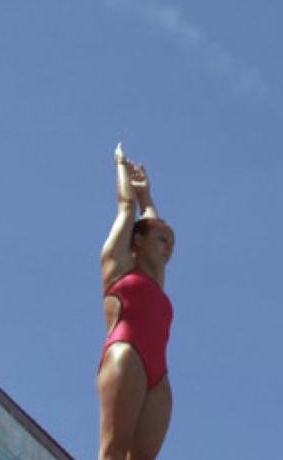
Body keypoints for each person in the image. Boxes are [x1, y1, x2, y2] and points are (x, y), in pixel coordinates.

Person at [98, 143, 176, 460]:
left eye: (171, 243)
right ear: (138, 240)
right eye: (162, 240)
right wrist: (121, 166)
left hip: (159, 373)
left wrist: (148, 196)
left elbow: (149, 221)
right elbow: (126, 207)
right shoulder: (117, 267)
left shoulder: (155, 279)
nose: (168, 247)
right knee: (114, 451)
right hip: (126, 354)